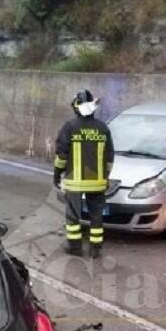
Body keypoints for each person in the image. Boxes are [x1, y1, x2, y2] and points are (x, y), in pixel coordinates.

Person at [54, 89, 114, 258]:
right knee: (96, 216)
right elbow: (110, 157)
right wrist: (106, 176)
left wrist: (57, 174)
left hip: (75, 182)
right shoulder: (103, 128)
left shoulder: (70, 127)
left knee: (73, 216)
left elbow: (61, 155)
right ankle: (95, 249)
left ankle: (75, 247)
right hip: (97, 182)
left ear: (77, 107)